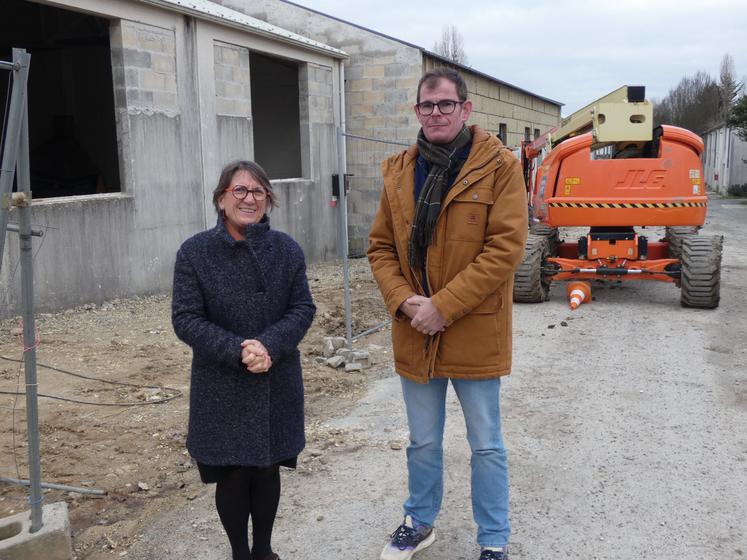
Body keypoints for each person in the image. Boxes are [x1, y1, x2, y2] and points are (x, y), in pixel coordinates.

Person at [367, 68, 528, 560]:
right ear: (417, 111)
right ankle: (419, 522)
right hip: (415, 327)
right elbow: (379, 248)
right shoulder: (398, 170)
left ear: (465, 109)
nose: (435, 113)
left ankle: (494, 540)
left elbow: (506, 249)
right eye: (426, 106)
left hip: (473, 328)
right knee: (421, 441)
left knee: (486, 444)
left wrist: (444, 306)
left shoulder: (500, 166)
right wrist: (404, 300)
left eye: (445, 105)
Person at [172, 160, 315, 560]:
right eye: (239, 190)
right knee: (233, 473)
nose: (249, 198)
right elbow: (185, 318)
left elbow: (302, 308)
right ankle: (239, 553)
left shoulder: (287, 250)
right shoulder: (195, 252)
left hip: (276, 376)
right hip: (222, 382)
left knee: (267, 468)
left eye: (258, 192)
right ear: (221, 199)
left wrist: (269, 346)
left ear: (268, 200)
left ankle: (264, 550)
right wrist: (238, 350)